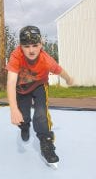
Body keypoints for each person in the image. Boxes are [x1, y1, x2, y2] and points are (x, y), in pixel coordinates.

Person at [6, 25, 73, 165]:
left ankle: (46, 143)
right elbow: (11, 82)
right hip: (21, 90)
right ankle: (25, 127)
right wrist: (13, 109)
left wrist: (68, 79)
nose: (31, 50)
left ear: (41, 44)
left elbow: (60, 71)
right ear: (20, 46)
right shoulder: (16, 56)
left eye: (35, 45)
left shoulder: (46, 59)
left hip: (39, 86)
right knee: (23, 117)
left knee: (41, 114)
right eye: (26, 46)